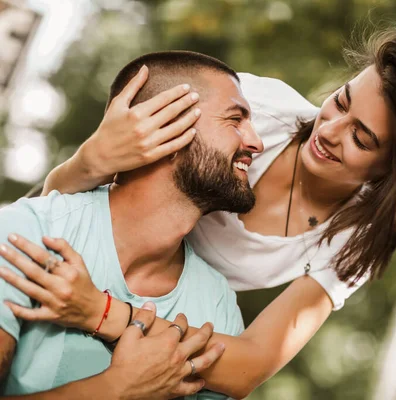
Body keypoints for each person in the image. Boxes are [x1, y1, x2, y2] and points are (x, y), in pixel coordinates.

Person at [2, 28, 396, 398]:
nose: (328, 130)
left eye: (361, 137)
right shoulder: (260, 109)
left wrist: (102, 315)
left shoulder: (351, 240)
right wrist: (88, 160)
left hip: (184, 320)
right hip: (102, 252)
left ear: (392, 171)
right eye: (341, 102)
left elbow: (248, 365)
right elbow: (88, 198)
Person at [0, 51, 264, 399]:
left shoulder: (217, 305)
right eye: (235, 120)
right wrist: (118, 388)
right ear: (166, 126)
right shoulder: (26, 233)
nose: (256, 143)